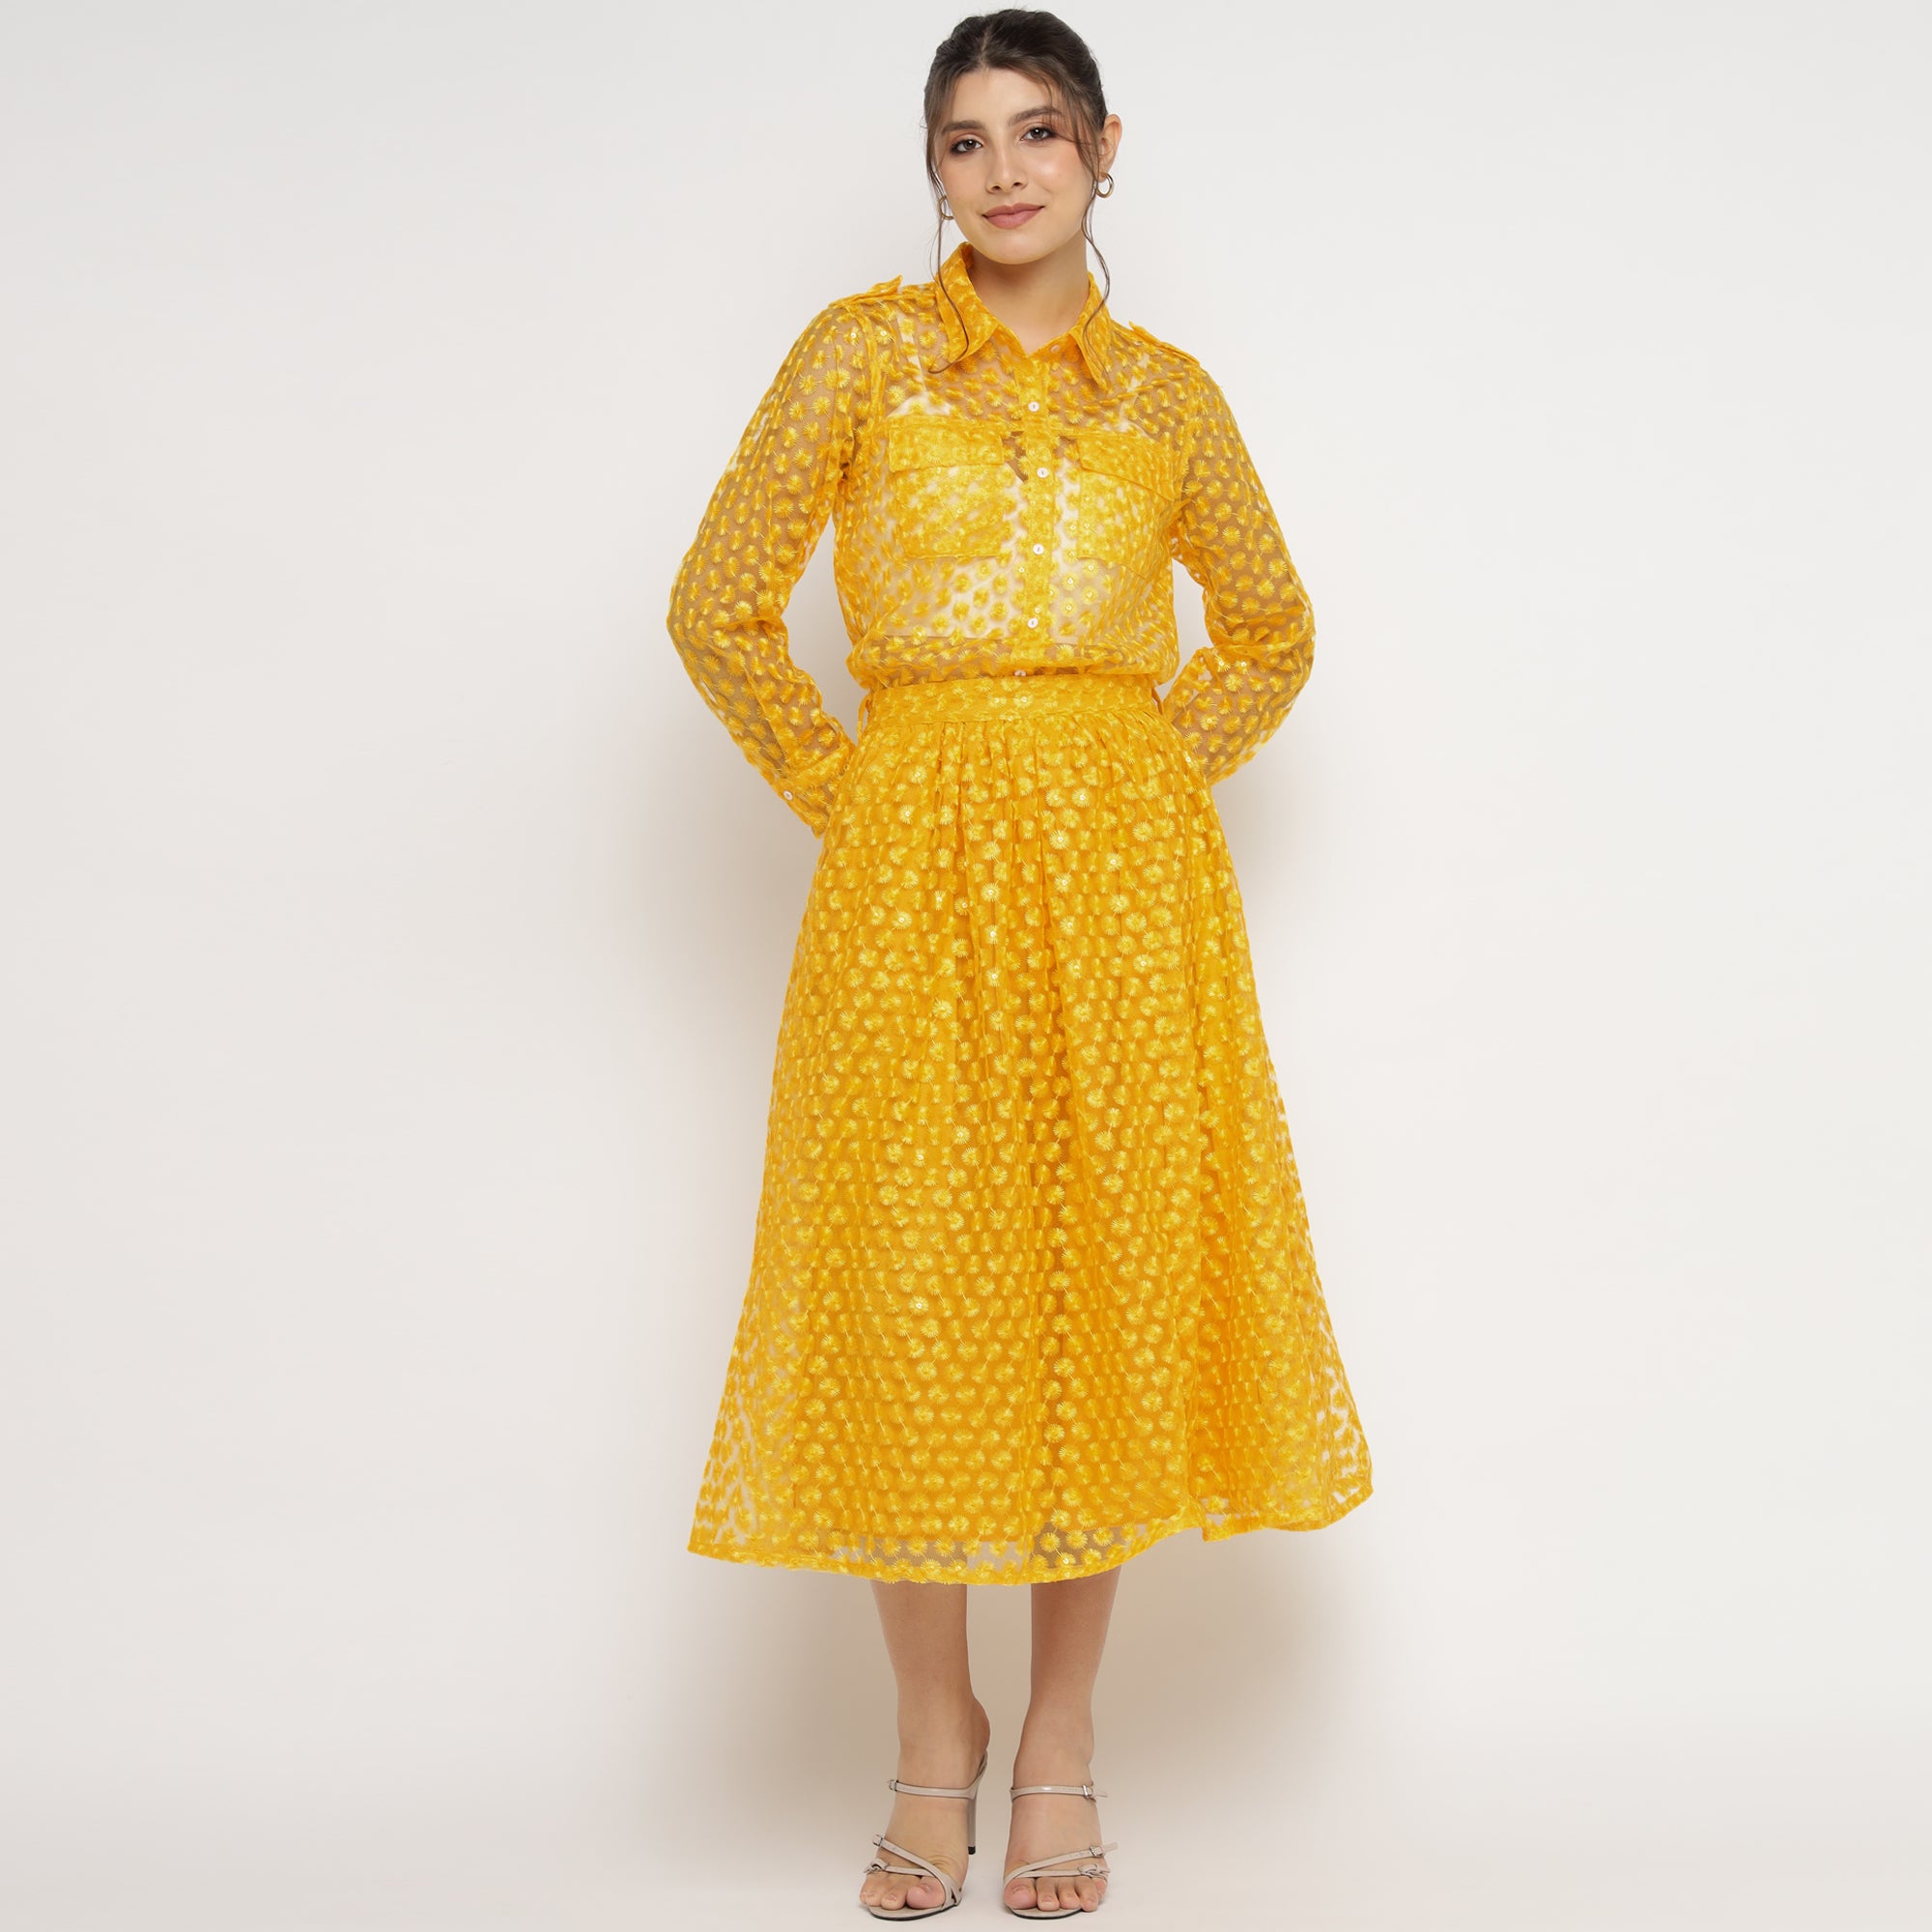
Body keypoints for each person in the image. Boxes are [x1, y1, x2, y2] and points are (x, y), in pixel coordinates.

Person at [665, 10, 1373, 1919]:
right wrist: (859, 792)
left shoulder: (1167, 398)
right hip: (912, 876)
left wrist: (1141, 781)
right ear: (934, 168)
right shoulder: (861, 356)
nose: (1002, 172)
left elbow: (1272, 629)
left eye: (1038, 132)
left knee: (1094, 1287)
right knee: (913, 1282)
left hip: (1122, 895)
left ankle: (1058, 1735)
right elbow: (718, 604)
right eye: (965, 140)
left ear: (1103, 149)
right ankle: (933, 1727)